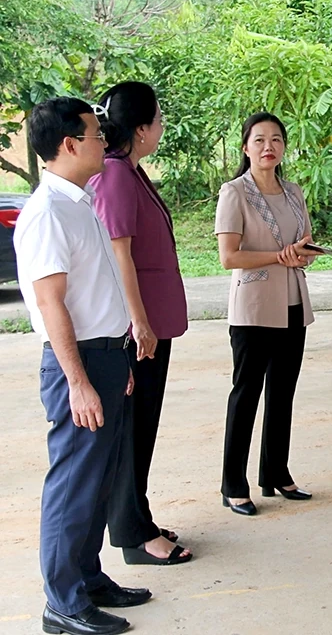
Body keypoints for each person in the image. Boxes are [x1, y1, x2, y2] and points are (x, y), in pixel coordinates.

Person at [14, 96, 150, 635]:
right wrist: (80, 382)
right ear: (69, 144)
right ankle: (63, 602)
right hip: (81, 364)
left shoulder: (79, 200)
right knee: (74, 484)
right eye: (95, 134)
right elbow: (52, 305)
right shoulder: (47, 211)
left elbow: (99, 289)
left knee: (99, 478)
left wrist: (119, 355)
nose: (103, 141)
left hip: (107, 357)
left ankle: (89, 579)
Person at [89, 81, 193, 567]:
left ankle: (138, 516)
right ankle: (133, 535)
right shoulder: (114, 176)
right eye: (158, 117)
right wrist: (139, 323)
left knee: (143, 426)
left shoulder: (131, 171)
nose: (162, 125)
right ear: (140, 128)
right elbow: (119, 254)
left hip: (152, 323)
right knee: (132, 430)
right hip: (139, 329)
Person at [214, 112, 322, 516]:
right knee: (246, 395)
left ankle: (276, 472)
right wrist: (281, 256)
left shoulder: (293, 191)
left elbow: (304, 246)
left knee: (283, 393)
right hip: (253, 309)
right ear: (246, 147)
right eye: (259, 140)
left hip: (293, 304)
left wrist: (304, 253)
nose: (268, 147)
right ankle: (233, 484)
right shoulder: (234, 192)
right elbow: (229, 257)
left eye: (276, 139)